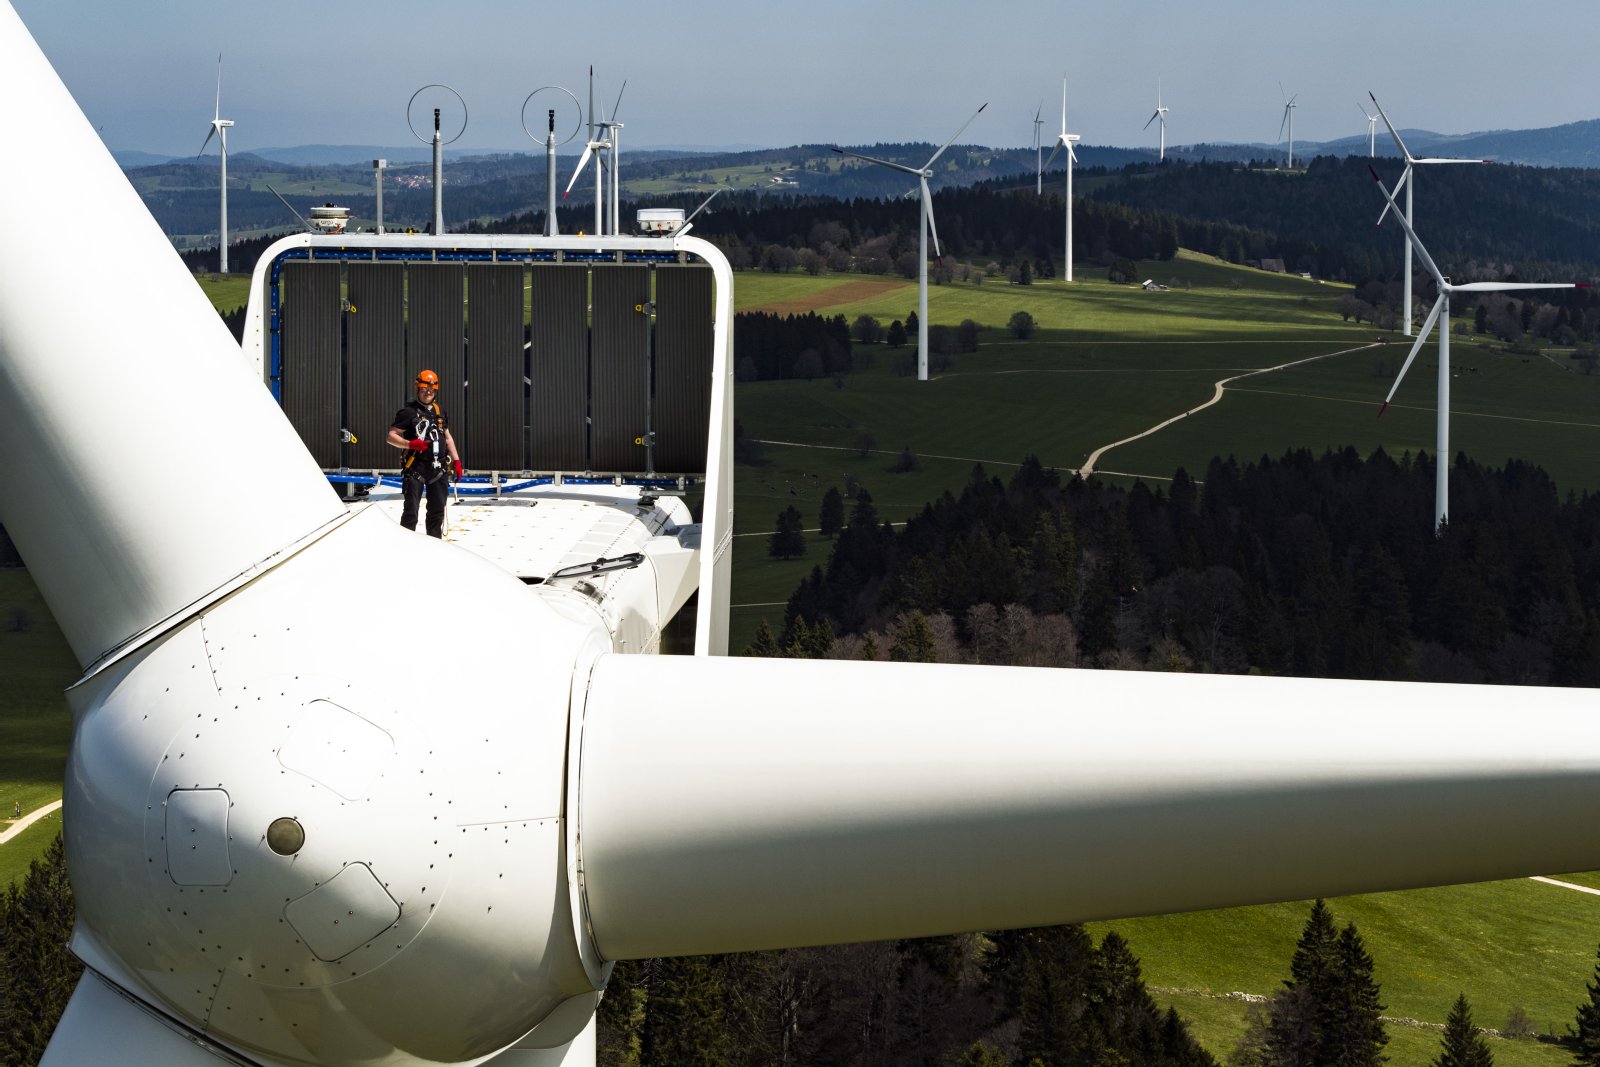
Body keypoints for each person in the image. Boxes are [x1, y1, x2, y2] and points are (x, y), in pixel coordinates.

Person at [387, 369, 462, 537]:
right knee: (411, 513)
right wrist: (410, 444)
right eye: (424, 389)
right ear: (418, 389)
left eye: (431, 389)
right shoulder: (408, 412)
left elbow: (447, 437)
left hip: (438, 469)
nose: (428, 392)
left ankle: (434, 546)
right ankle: (407, 546)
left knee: (437, 513)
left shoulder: (439, 412)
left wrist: (456, 462)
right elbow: (391, 436)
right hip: (416, 469)